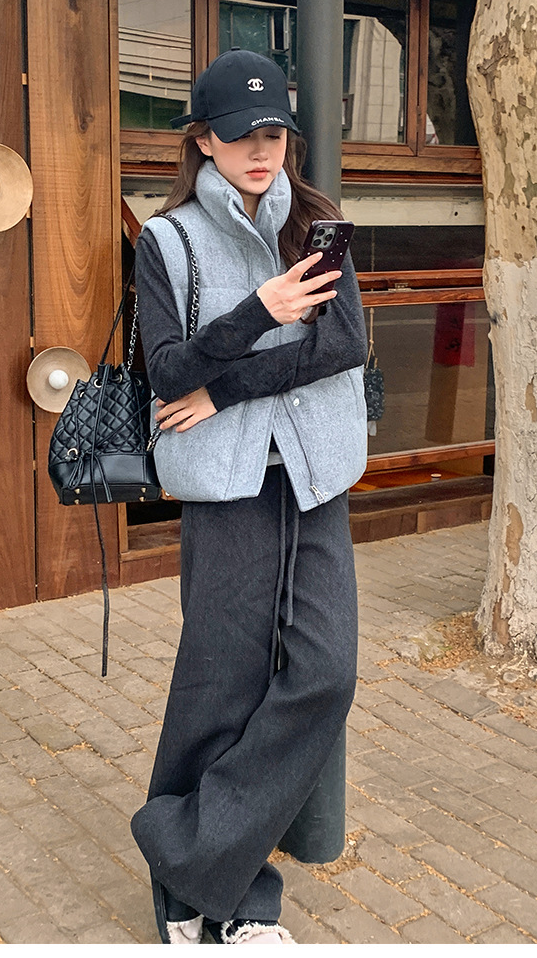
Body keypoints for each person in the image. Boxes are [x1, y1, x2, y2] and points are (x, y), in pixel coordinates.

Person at [130, 48, 368, 945]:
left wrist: (227, 387)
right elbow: (168, 370)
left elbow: (342, 347)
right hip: (227, 487)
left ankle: (182, 846)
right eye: (240, 135)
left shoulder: (318, 225)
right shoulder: (168, 241)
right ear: (203, 140)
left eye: (274, 133)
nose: (261, 151)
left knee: (325, 671)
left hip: (315, 476)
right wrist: (260, 312)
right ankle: (213, 905)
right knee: (219, 686)